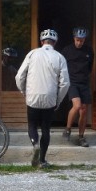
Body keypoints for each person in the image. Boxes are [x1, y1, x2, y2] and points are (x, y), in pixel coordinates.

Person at [15, 29, 70, 168]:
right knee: (46, 128)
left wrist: (24, 91)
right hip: (50, 98)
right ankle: (42, 160)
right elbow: (65, 83)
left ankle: (35, 144)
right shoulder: (59, 57)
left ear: (41, 42)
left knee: (32, 125)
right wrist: (58, 99)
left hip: (33, 96)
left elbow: (19, 76)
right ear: (55, 42)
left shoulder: (32, 53)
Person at [60, 27, 95, 147]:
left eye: (82, 40)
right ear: (74, 38)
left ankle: (81, 137)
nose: (79, 42)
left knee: (83, 110)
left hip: (84, 83)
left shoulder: (89, 51)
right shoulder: (67, 50)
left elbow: (90, 67)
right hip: (72, 83)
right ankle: (68, 128)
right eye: (77, 40)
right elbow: (62, 67)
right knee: (77, 105)